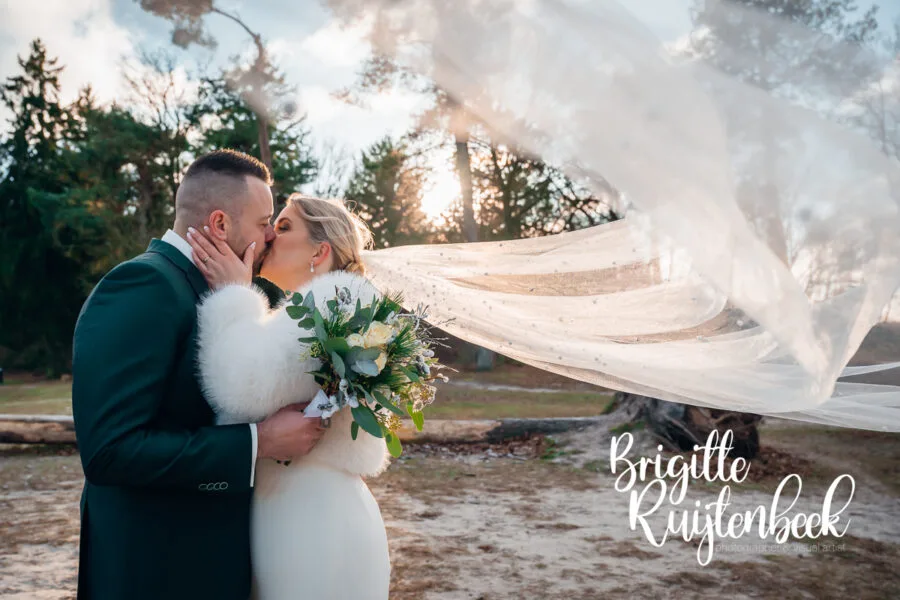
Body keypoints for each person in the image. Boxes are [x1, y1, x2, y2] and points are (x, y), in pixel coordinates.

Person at [71, 150, 327, 600]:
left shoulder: (221, 287)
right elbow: (110, 450)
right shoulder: (142, 285)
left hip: (209, 561)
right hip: (156, 570)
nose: (270, 234)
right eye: (263, 221)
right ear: (220, 224)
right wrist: (258, 442)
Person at [187, 194, 392, 600]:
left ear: (320, 251)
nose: (268, 236)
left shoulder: (335, 301)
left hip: (312, 519)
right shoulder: (317, 306)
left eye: (283, 227)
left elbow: (244, 388)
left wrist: (232, 294)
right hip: (305, 506)